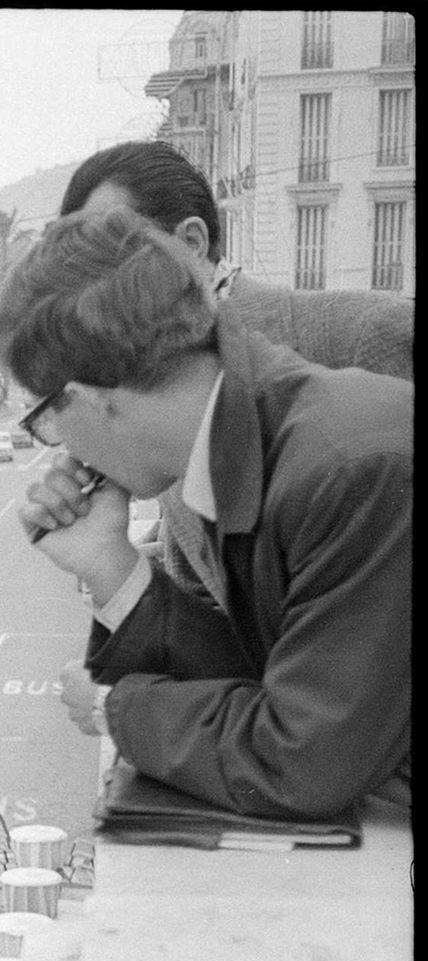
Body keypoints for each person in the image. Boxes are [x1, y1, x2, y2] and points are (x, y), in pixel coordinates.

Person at [0, 208, 410, 820]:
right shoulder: (259, 434)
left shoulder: (347, 471)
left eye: (45, 420)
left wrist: (117, 711)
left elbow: (302, 760)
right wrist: (111, 566)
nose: (58, 449)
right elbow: (284, 686)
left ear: (86, 401)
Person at [58, 141, 415, 610]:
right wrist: (116, 569)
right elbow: (216, 598)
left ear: (191, 244)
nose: (96, 290)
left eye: (115, 256)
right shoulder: (161, 394)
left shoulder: (367, 333)